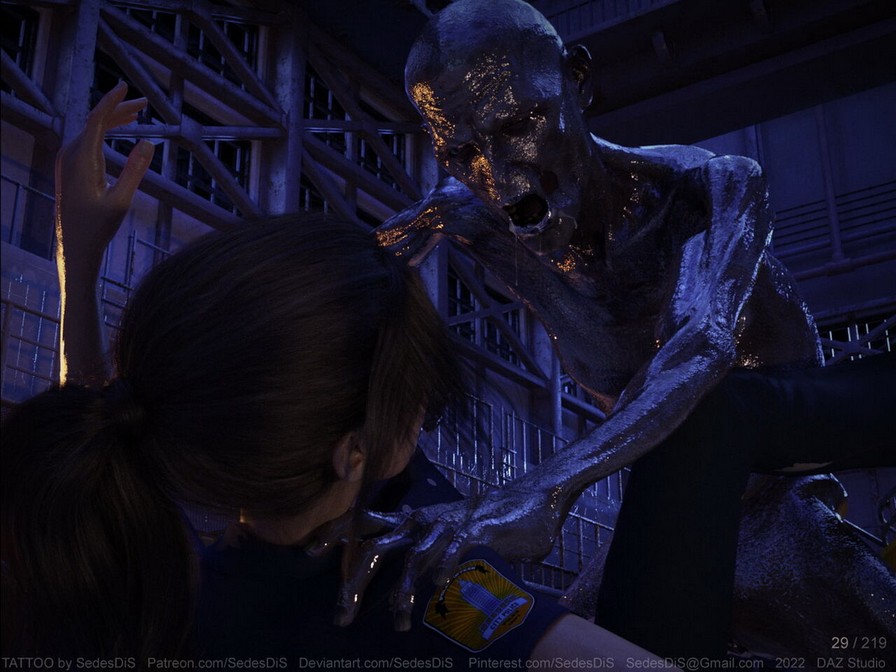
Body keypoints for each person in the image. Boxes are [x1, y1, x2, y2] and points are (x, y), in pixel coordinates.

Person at [0, 84, 680, 668]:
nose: (423, 409)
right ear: (350, 453)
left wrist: (78, 256)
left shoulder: (171, 578)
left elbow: (103, 409)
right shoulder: (410, 594)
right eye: (412, 393)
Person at [358, 0, 896, 658]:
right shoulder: (463, 213)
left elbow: (701, 346)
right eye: (463, 152)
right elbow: (343, 280)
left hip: (777, 500)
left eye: (520, 123)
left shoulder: (709, 191)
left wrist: (546, 488)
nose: (501, 182)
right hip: (664, 514)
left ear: (578, 81)